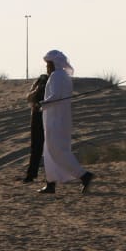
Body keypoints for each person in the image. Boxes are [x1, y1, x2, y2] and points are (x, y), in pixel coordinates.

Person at [37, 49, 94, 194]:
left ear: (54, 63)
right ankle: (50, 183)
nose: (47, 67)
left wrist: (42, 104)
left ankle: (84, 175)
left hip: (56, 120)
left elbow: (56, 97)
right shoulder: (63, 76)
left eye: (48, 64)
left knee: (58, 152)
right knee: (50, 151)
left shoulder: (56, 76)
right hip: (58, 119)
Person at [19, 69, 49, 183]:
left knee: (37, 148)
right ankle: (32, 174)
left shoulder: (40, 87)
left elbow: (29, 98)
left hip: (40, 117)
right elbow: (30, 99)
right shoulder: (41, 87)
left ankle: (31, 174)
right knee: (39, 148)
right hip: (40, 117)